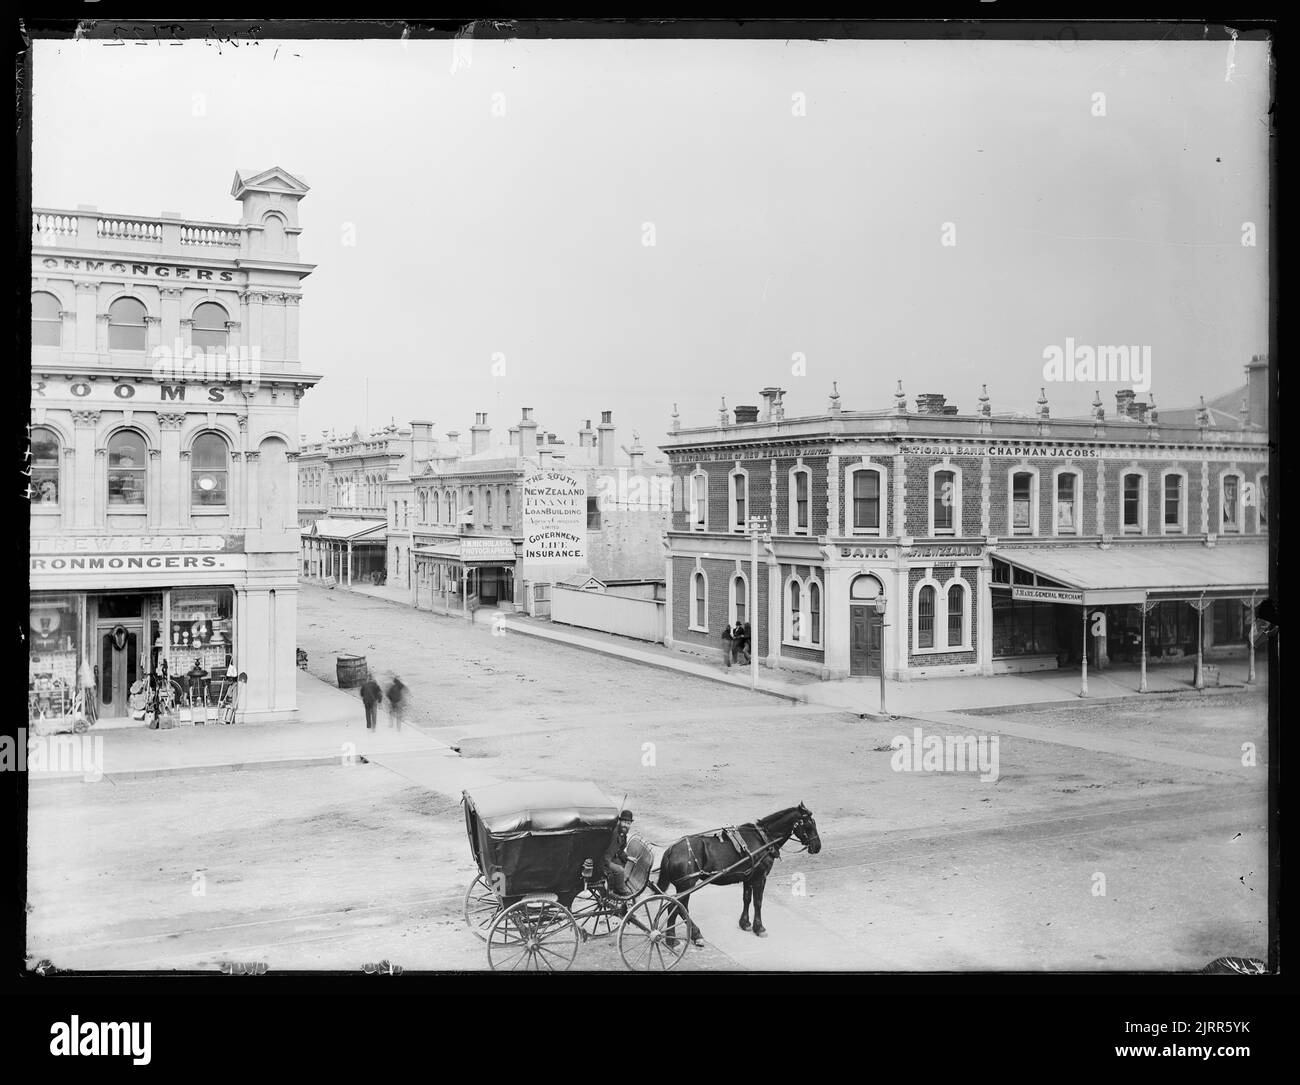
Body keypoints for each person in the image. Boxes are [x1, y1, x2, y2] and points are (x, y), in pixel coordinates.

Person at [602, 810, 635, 907]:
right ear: (619, 822)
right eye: (624, 822)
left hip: (608, 859)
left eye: (628, 823)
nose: (626, 825)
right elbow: (606, 855)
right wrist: (612, 865)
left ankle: (616, 885)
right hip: (602, 861)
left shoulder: (623, 834)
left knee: (622, 862)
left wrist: (628, 857)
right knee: (620, 870)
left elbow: (619, 850)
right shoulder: (613, 832)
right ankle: (620, 891)